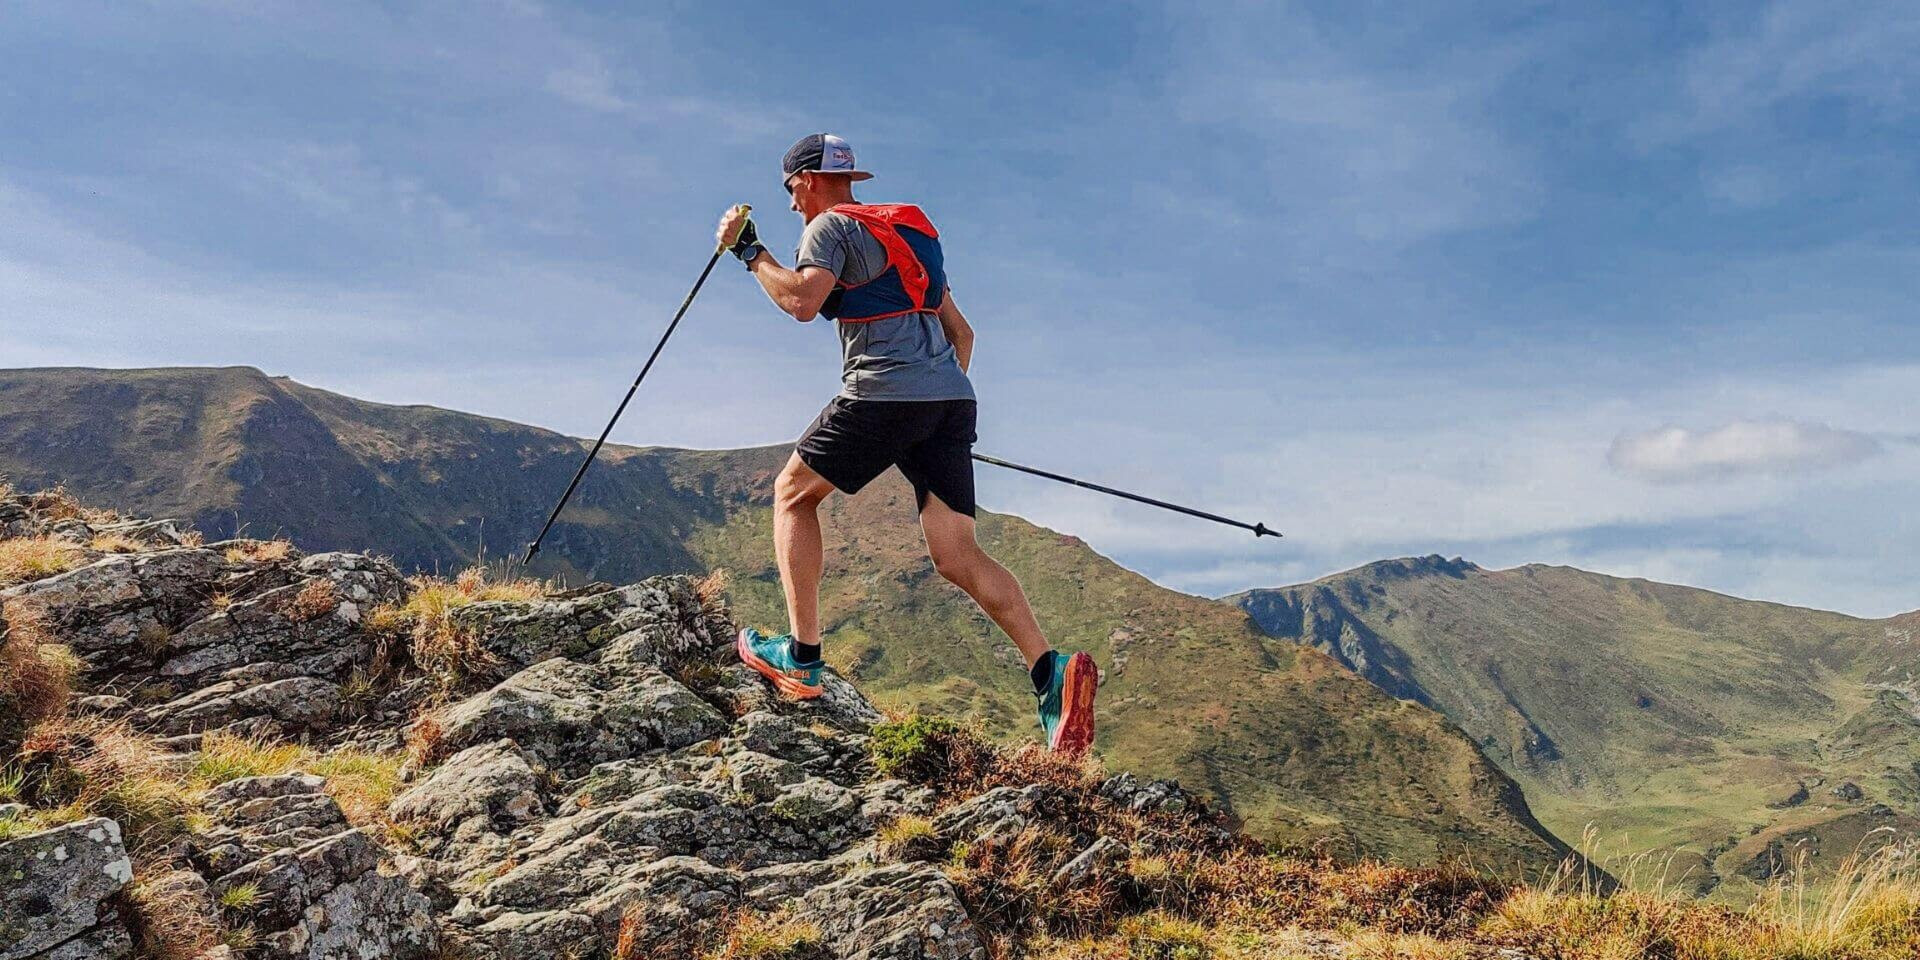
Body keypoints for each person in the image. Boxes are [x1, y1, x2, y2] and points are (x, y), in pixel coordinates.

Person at [715, 133, 1097, 754]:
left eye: (790, 190)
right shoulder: (911, 236)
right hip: (949, 400)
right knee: (956, 555)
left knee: (791, 495)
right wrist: (930, 417)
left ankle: (801, 659)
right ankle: (1049, 673)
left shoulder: (828, 228)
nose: (791, 205)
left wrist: (748, 252)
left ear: (808, 179)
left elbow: (802, 303)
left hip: (882, 392)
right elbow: (962, 335)